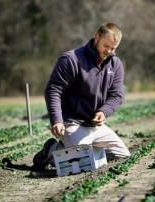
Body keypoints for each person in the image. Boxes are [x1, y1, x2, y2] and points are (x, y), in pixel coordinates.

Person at [33, 22, 131, 170]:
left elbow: (117, 95)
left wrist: (103, 111)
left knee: (123, 156)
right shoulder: (71, 60)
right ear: (97, 37)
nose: (109, 51)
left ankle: (82, 151)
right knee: (82, 163)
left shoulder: (115, 65)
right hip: (72, 122)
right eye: (106, 46)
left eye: (113, 48)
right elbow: (53, 90)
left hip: (94, 125)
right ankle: (51, 150)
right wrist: (57, 121)